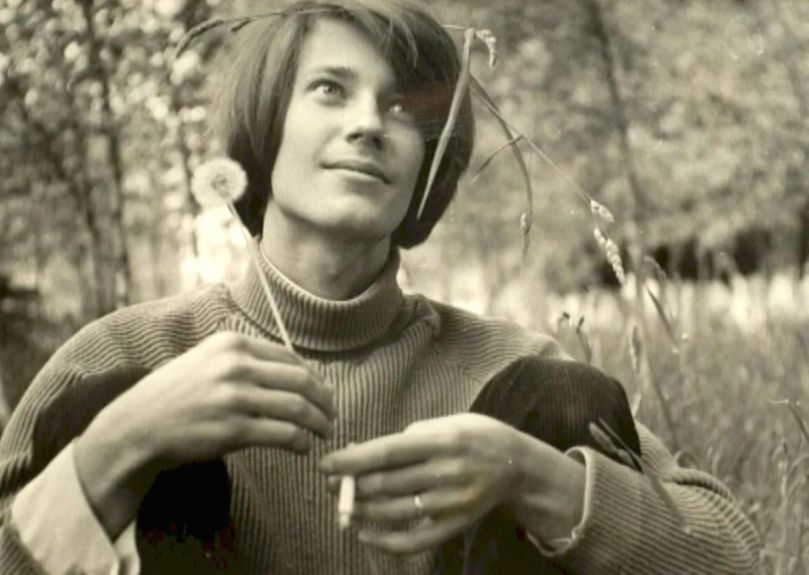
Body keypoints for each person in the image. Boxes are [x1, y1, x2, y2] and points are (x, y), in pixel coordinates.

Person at [0, 0, 760, 573]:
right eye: (331, 89)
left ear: (428, 162)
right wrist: (120, 444)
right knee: (104, 406)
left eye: (402, 107)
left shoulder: (510, 371)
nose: (368, 124)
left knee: (562, 403)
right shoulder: (123, 350)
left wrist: (536, 480)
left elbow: (733, 554)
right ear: (265, 126)